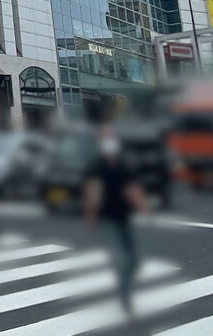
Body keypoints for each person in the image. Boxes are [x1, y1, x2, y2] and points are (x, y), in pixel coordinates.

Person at [84, 125, 150, 316]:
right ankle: (124, 298)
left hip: (124, 218)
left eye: (111, 139)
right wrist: (91, 217)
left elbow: (131, 187)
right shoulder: (96, 166)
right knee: (122, 260)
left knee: (134, 261)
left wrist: (143, 208)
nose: (108, 143)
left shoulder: (122, 164)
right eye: (105, 139)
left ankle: (125, 289)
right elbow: (92, 193)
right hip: (107, 220)